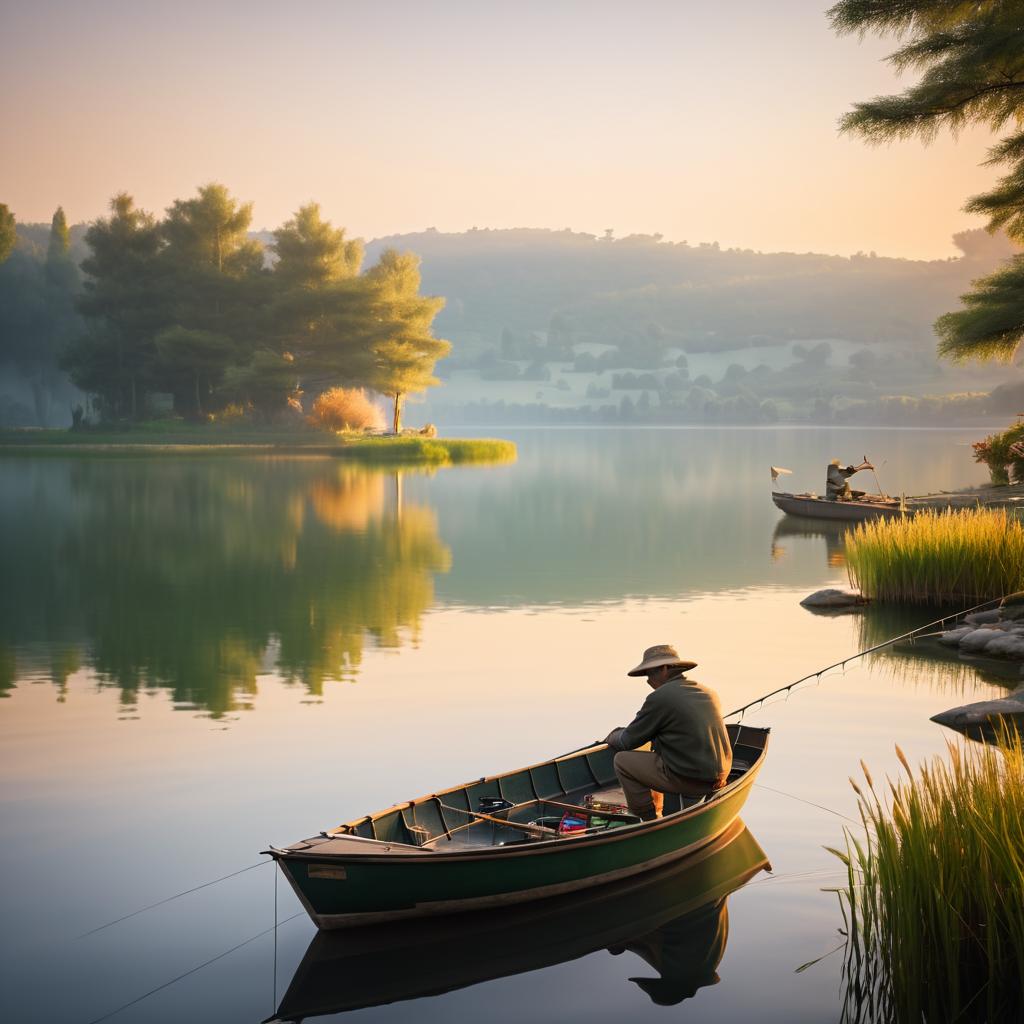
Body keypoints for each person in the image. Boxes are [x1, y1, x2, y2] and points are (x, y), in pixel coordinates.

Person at [604, 644, 732, 821]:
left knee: (622, 761)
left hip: (692, 781)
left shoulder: (660, 697)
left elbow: (627, 741)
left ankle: (647, 819)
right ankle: (659, 810)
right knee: (653, 749)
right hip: (720, 778)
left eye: (651, 673)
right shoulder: (707, 691)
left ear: (665, 669)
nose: (648, 680)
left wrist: (611, 736)